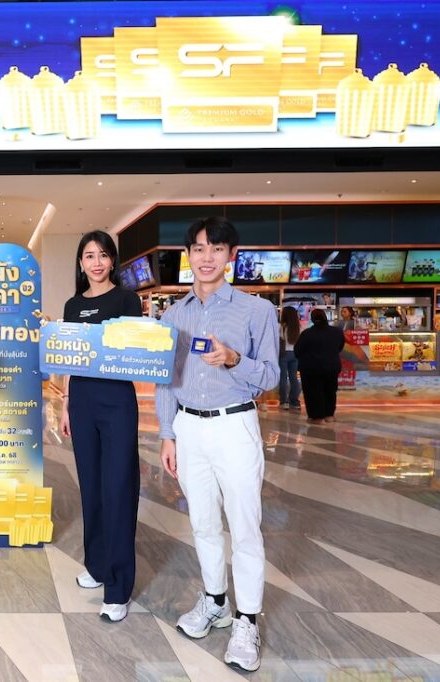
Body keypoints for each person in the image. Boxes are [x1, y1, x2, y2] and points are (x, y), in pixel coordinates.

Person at [156, 217, 279, 673]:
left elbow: (270, 376)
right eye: (199, 249)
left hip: (235, 425)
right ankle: (215, 601)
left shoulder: (255, 311)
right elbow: (165, 380)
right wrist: (167, 434)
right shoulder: (174, 315)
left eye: (217, 249)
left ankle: (247, 621)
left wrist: (233, 359)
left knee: (245, 525)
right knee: (203, 522)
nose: (207, 258)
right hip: (188, 427)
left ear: (231, 256)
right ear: (188, 255)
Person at [60, 230, 142, 624]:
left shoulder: (127, 300)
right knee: (91, 486)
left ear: (112, 261)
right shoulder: (73, 305)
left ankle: (118, 586)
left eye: (103, 255)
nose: (96, 262)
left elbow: (135, 350)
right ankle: (96, 565)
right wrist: (65, 403)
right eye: (89, 256)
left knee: (118, 488)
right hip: (82, 402)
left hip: (117, 402)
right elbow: (70, 357)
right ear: (80, 262)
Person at [293, 308, 345, 424]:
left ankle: (317, 417)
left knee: (313, 392)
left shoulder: (307, 334)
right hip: (332, 366)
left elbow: (297, 351)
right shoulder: (336, 332)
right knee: (330, 391)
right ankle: (329, 415)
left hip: (311, 368)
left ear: (312, 319)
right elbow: (340, 346)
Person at [278, 306, 302, 411]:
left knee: (283, 378)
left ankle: (284, 402)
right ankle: (294, 402)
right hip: (295, 354)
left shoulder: (281, 327)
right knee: (294, 378)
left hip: (284, 354)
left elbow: (279, 340)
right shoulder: (299, 327)